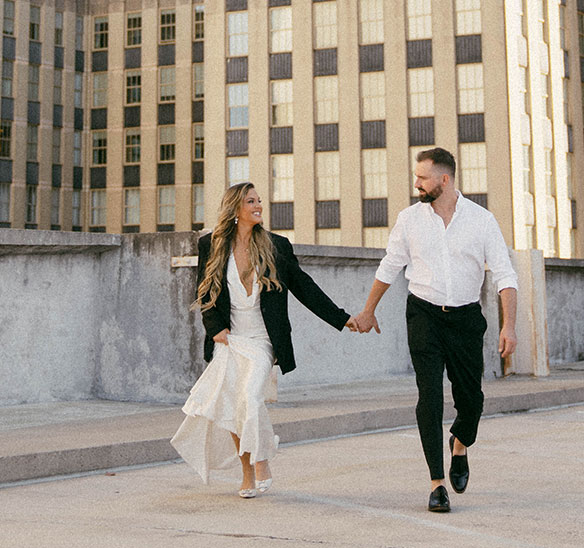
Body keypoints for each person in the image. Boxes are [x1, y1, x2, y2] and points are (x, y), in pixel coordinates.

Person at [352, 148, 518, 513]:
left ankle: (459, 444)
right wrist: (368, 311)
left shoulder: (481, 220)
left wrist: (509, 325)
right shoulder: (409, 219)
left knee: (471, 400)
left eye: (423, 178)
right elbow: (389, 266)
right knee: (429, 397)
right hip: (423, 315)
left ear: (444, 180)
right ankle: (436, 484)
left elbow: (505, 275)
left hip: (465, 319)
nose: (416, 184)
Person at [171, 182, 357, 498]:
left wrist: (343, 318)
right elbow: (204, 291)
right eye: (251, 201)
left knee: (250, 396)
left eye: (259, 201)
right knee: (230, 405)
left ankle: (261, 459)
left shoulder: (276, 246)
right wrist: (215, 327)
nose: (258, 206)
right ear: (235, 209)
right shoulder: (212, 245)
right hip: (229, 339)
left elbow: (305, 287)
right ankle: (246, 471)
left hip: (261, 339)